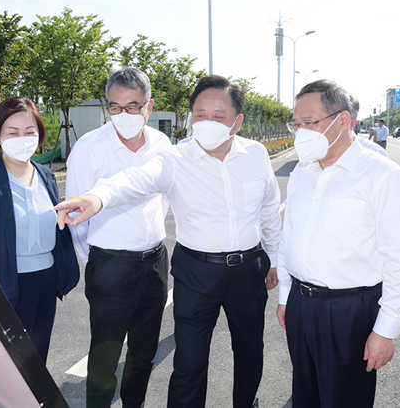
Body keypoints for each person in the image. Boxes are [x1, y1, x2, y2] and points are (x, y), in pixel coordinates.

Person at [55, 75, 281, 408]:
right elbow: (134, 180)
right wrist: (97, 197)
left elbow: (270, 210)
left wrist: (274, 258)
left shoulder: (256, 154)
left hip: (248, 269)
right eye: (200, 115)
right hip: (195, 272)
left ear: (237, 121)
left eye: (218, 116)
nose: (207, 123)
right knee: (188, 363)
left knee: (249, 351)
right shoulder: (174, 158)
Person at [276, 80, 400, 407]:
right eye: (296, 124)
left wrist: (385, 331)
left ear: (343, 120)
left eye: (309, 123)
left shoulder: (383, 175)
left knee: (345, 399)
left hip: (349, 312)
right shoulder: (303, 172)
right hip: (301, 304)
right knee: (305, 396)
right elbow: (289, 237)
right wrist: (286, 296)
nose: (300, 133)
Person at [65, 67, 172, 408]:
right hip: (109, 265)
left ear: (149, 107)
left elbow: (164, 199)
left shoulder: (162, 144)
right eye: (115, 107)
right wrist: (97, 260)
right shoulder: (89, 147)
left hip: (154, 263)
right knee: (104, 356)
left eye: (132, 107)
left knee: (144, 351)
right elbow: (76, 217)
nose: (123, 115)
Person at [0, 97, 79, 363]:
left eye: (29, 132)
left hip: (46, 282)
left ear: (39, 135)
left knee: (38, 360)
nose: (22, 139)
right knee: (9, 364)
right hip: (7, 285)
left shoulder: (46, 177)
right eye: (12, 132)